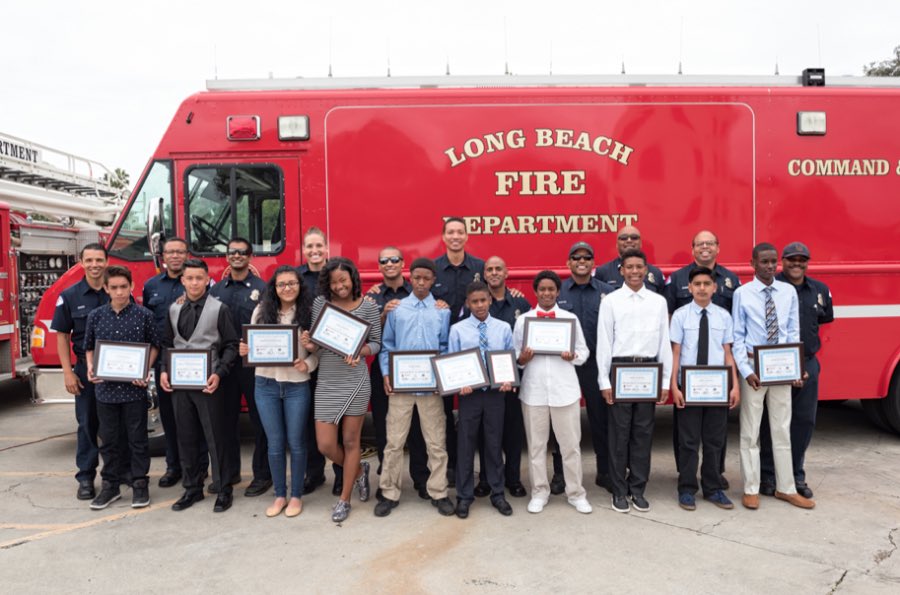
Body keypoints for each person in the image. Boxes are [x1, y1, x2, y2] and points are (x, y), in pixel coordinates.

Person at [732, 243, 814, 510]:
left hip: (781, 368)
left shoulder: (787, 292)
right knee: (750, 431)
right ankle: (751, 487)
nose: (769, 266)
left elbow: (793, 333)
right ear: (752, 263)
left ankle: (786, 487)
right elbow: (737, 337)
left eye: (773, 261)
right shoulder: (742, 294)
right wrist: (746, 371)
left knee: (781, 429)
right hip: (755, 370)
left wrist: (795, 366)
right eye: (764, 261)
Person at [303, 257, 382, 523]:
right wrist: (309, 344)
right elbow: (317, 341)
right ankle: (360, 470)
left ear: (353, 279)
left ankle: (344, 499)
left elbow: (377, 344)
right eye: (334, 282)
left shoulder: (368, 307)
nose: (340, 286)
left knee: (351, 442)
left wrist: (361, 351)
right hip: (327, 379)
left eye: (344, 280)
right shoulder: (320, 305)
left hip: (355, 380)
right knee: (325, 445)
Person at [374, 257, 455, 518]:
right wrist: (387, 373)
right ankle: (389, 492)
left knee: (436, 443)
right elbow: (388, 346)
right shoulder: (397, 310)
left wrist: (441, 377)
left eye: (426, 278)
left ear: (433, 280)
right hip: (401, 388)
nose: (421, 282)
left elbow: (444, 348)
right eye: (417, 277)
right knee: (394, 442)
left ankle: (439, 491)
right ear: (410, 277)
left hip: (430, 389)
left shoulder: (442, 311)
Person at [159, 259, 240, 513]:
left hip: (209, 384)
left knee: (216, 437)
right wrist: (163, 370)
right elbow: (167, 344)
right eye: (189, 278)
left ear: (207, 280)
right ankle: (192, 488)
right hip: (181, 386)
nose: (194, 282)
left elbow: (231, 345)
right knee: (186, 438)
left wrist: (219, 373)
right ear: (182, 280)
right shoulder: (173, 309)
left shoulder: (219, 309)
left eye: (199, 278)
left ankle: (223, 488)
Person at [597, 249, 673, 513]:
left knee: (643, 433)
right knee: (619, 434)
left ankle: (638, 488)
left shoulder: (657, 302)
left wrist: (665, 381)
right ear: (621, 270)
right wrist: (604, 381)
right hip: (621, 370)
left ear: (646, 270)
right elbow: (604, 342)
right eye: (629, 267)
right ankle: (619, 490)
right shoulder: (611, 301)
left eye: (639, 267)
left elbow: (664, 341)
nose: (634, 272)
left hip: (648, 371)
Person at [240, 266, 317, 518]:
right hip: (265, 384)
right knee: (274, 443)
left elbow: (319, 352)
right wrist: (246, 351)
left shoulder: (309, 313)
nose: (287, 288)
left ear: (299, 285)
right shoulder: (261, 311)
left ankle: (296, 496)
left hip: (297, 384)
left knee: (296, 442)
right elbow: (252, 345)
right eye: (282, 284)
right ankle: (279, 495)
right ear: (274, 287)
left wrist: (308, 363)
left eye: (292, 283)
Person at [51, 243, 127, 500]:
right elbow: (62, 336)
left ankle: (119, 472)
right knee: (87, 424)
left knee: (117, 425)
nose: (95, 265)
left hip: (118, 368)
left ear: (106, 261)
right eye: (89, 260)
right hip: (85, 369)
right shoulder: (70, 296)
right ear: (81, 262)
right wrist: (68, 373)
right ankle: (85, 477)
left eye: (99, 260)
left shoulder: (117, 290)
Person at [665, 230, 741, 487]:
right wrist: (673, 385)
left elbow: (728, 352)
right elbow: (675, 350)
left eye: (706, 284)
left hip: (718, 385)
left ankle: (713, 483)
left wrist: (735, 385)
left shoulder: (724, 312)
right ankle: (686, 485)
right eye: (700, 243)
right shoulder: (679, 309)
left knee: (715, 438)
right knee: (687, 439)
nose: (701, 288)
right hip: (689, 382)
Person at [759, 242, 834, 499]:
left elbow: (822, 322)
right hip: (775, 363)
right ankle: (768, 475)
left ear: (808, 262)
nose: (797, 264)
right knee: (773, 422)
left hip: (807, 362)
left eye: (802, 260)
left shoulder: (820, 291)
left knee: (803, 421)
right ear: (783, 261)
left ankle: (795, 474)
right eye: (792, 259)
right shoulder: (773, 288)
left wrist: (801, 364)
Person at [514, 270, 592, 515]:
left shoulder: (569, 319)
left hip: (564, 391)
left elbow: (584, 352)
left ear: (558, 292)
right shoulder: (523, 320)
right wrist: (522, 359)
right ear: (535, 292)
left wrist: (573, 356)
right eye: (542, 289)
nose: (546, 293)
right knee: (536, 446)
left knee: (570, 446)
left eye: (551, 289)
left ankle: (576, 493)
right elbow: (514, 357)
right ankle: (539, 491)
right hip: (534, 392)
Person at [84, 266, 160, 509]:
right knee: (109, 440)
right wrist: (91, 367)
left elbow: (155, 346)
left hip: (133, 390)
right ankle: (111, 486)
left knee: (137, 438)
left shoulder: (143, 315)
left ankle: (139, 483)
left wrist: (144, 370)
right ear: (106, 288)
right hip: (105, 390)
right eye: (114, 287)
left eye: (123, 287)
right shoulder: (95, 316)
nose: (119, 292)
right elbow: (89, 347)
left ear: (131, 287)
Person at [365, 247, 431, 500]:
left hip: (418, 371)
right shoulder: (372, 297)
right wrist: (383, 314)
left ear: (403, 263)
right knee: (385, 427)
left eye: (394, 259)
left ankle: (421, 478)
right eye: (384, 260)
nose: (389, 263)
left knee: (417, 426)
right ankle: (387, 480)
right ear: (379, 266)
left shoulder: (416, 290)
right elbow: (368, 335)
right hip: (385, 369)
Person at [209, 237, 271, 497]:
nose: (236, 256)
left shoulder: (262, 288)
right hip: (225, 365)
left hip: (252, 366)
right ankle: (229, 473)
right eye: (232, 252)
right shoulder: (216, 291)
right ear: (227, 256)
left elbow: (269, 327)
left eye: (242, 252)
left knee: (260, 423)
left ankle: (262, 476)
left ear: (250, 256)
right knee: (225, 423)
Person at [451, 281, 515, 518]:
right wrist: (460, 383)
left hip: (496, 395)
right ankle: (464, 496)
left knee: (494, 444)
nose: (479, 305)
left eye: (483, 300)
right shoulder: (458, 330)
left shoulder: (503, 328)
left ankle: (498, 493)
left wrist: (508, 379)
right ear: (468, 303)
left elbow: (511, 357)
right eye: (474, 301)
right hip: (470, 397)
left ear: (490, 300)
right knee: (465, 446)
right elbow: (453, 361)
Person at [557, 241, 615, 492]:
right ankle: (560, 475)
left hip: (596, 367)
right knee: (561, 422)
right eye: (576, 257)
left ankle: (605, 472)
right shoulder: (558, 293)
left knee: (600, 421)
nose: (582, 261)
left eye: (587, 257)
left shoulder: (607, 293)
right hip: (565, 366)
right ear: (568, 262)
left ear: (593, 263)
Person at [432, 217, 485, 486]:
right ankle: (451, 468)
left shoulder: (479, 267)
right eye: (450, 232)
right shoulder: (434, 269)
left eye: (460, 232)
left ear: (466, 236)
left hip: (471, 354)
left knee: (470, 413)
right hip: (443, 351)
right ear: (443, 237)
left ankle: (476, 471)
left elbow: (491, 296)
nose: (455, 236)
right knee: (442, 413)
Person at [142, 237, 196, 489]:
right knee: (170, 417)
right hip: (165, 360)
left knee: (195, 418)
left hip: (195, 361)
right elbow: (147, 324)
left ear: (187, 254)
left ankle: (195, 468)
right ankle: (173, 467)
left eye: (180, 252)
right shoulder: (151, 286)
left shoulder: (196, 282)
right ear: (163, 256)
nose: (175, 256)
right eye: (170, 252)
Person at [294, 227, 342, 496]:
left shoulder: (336, 274)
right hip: (305, 355)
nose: (314, 251)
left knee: (336, 418)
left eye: (318, 246)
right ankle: (314, 473)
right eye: (309, 246)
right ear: (304, 249)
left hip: (334, 357)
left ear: (326, 248)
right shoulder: (296, 277)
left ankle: (339, 472)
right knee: (310, 418)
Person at [481, 255, 532, 498]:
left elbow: (529, 340)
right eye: (489, 269)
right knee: (486, 432)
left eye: (498, 269)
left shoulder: (520, 304)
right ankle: (485, 479)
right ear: (484, 274)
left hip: (511, 380)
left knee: (512, 431)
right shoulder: (478, 302)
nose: (493, 273)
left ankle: (513, 478)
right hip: (483, 380)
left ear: (506, 272)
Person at [594, 225, 665, 294]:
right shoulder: (602, 272)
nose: (629, 240)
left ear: (640, 243)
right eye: (624, 238)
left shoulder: (656, 273)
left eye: (634, 237)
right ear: (616, 244)